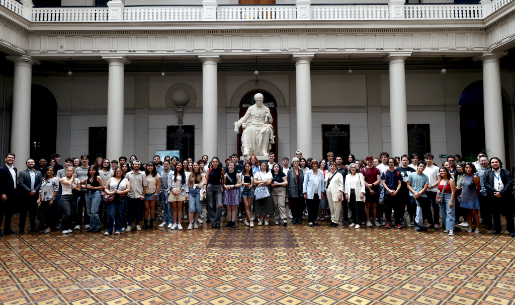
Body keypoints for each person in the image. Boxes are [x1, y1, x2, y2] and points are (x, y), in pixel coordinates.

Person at [484, 157, 514, 237]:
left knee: (508, 214)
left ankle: (511, 230)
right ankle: (497, 229)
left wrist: (501, 193)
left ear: (500, 163)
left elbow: (510, 184)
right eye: (492, 162)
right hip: (493, 197)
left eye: (496, 162)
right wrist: (495, 193)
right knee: (495, 214)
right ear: (490, 164)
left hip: (505, 196)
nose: (494, 164)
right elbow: (486, 184)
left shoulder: (507, 172)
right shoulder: (487, 173)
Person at [17, 158, 43, 234]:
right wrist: (29, 191)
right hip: (25, 196)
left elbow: (40, 183)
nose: (30, 163)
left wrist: (34, 191)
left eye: (32, 162)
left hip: (34, 196)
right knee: (23, 213)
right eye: (29, 162)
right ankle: (21, 228)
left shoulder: (38, 173)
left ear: (34, 163)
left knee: (33, 213)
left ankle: (33, 227)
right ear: (26, 164)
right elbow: (21, 183)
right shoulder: (22, 172)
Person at [104, 167, 130, 235]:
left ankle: (118, 229)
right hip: (112, 198)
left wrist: (120, 192)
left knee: (119, 214)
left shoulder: (125, 179)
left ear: (122, 172)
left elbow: (128, 189)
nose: (118, 172)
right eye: (117, 171)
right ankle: (108, 230)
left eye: (120, 171)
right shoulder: (111, 179)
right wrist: (109, 193)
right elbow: (106, 188)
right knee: (111, 214)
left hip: (121, 198)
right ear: (115, 172)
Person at [407, 161, 430, 232]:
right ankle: (416, 225)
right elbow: (408, 185)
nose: (422, 167)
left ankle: (421, 224)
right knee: (415, 210)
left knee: (424, 210)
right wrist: (414, 193)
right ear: (417, 166)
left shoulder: (425, 177)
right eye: (420, 166)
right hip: (412, 195)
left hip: (422, 195)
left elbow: (425, 187)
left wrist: (419, 194)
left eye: (423, 166)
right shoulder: (411, 175)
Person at [81, 165, 104, 233]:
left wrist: (93, 188)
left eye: (93, 170)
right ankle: (92, 226)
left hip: (95, 194)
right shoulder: (88, 178)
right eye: (90, 170)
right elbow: (86, 186)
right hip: (88, 194)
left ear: (96, 170)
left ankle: (98, 226)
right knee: (89, 212)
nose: (91, 171)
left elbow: (102, 187)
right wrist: (81, 185)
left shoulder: (98, 177)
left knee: (94, 212)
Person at [125, 161, 147, 231]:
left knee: (138, 211)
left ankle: (137, 224)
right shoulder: (128, 174)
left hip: (139, 195)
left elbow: (145, 185)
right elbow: (125, 184)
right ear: (132, 165)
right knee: (129, 211)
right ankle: (129, 225)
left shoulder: (143, 174)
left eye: (138, 164)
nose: (137, 165)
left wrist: (143, 195)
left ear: (140, 165)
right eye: (135, 164)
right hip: (130, 195)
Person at [58, 167, 81, 234]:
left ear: (73, 172)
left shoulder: (77, 180)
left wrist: (75, 188)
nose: (68, 172)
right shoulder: (63, 178)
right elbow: (69, 183)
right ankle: (62, 227)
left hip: (73, 197)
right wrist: (73, 177)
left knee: (71, 214)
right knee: (67, 213)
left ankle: (68, 227)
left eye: (70, 171)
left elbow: (79, 189)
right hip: (65, 197)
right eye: (67, 171)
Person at [460, 163, 481, 233]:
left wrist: (476, 194)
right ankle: (470, 226)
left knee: (474, 212)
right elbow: (463, 186)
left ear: (472, 168)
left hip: (472, 196)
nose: (468, 169)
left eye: (469, 168)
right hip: (464, 196)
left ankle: (477, 227)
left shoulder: (474, 177)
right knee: (467, 212)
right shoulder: (463, 176)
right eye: (466, 167)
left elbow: (478, 187)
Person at [381, 158, 402, 229]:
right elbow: (383, 183)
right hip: (388, 193)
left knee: (397, 208)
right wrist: (389, 190)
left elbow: (399, 183)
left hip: (396, 193)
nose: (391, 163)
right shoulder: (385, 172)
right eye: (389, 162)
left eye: (392, 162)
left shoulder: (398, 172)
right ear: (388, 163)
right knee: (388, 209)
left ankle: (398, 223)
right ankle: (388, 222)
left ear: (394, 163)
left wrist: (396, 191)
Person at [303, 160, 325, 227]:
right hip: (310, 193)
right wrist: (305, 192)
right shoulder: (308, 172)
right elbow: (305, 183)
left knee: (316, 207)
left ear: (317, 165)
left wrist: (322, 192)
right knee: (310, 207)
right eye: (313, 164)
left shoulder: (320, 172)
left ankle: (315, 220)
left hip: (317, 193)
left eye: (316, 164)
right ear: (311, 165)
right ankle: (310, 221)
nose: (315, 165)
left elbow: (322, 183)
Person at [0, 153, 18, 235]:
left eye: (12, 158)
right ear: (5, 159)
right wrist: (2, 193)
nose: (10, 159)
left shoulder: (15, 169)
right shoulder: (2, 169)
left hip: (13, 194)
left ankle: (7, 228)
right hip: (5, 194)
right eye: (9, 157)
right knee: (1, 213)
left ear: (14, 159)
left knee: (10, 213)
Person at [37, 167, 59, 234]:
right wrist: (39, 198)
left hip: (50, 199)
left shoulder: (55, 179)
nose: (49, 171)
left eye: (50, 170)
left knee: (50, 214)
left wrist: (52, 199)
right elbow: (40, 190)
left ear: (53, 172)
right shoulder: (44, 179)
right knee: (45, 214)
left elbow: (56, 190)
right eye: (47, 170)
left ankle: (50, 227)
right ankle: (47, 226)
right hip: (43, 200)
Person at [361, 156, 381, 227]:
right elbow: (363, 180)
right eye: (368, 160)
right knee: (367, 205)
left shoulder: (377, 170)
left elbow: (379, 180)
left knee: (374, 205)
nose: (369, 161)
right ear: (366, 161)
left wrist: (371, 185)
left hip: (375, 189)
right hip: (367, 190)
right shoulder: (363, 170)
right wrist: (369, 188)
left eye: (371, 160)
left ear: (373, 161)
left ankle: (375, 220)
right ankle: (368, 220)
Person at [205, 157, 224, 228]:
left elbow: (222, 179)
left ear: (218, 162)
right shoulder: (209, 169)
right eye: (213, 161)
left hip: (218, 187)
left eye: (216, 161)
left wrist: (222, 187)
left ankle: (218, 221)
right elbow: (206, 179)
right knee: (211, 205)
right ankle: (213, 221)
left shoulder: (221, 169)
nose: (215, 163)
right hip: (210, 187)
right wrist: (204, 188)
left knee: (219, 205)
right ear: (212, 162)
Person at [396, 155, 416, 226]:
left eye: (406, 160)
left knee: (411, 206)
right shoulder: (397, 170)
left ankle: (411, 219)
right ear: (401, 161)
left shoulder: (412, 170)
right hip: (401, 191)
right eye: (403, 160)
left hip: (410, 191)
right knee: (401, 206)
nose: (405, 161)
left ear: (408, 161)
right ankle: (402, 220)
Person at [168, 162, 188, 230]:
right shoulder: (171, 173)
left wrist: (179, 191)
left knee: (180, 208)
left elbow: (184, 184)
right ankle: (174, 223)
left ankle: (179, 223)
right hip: (172, 191)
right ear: (175, 166)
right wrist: (173, 191)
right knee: (174, 209)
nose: (179, 166)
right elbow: (169, 183)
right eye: (178, 165)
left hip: (180, 192)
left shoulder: (183, 174)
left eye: (180, 165)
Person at [423, 153, 441, 229]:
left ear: (432, 159)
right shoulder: (423, 168)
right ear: (425, 159)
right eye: (427, 159)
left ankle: (436, 222)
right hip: (425, 190)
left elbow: (439, 179)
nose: (428, 160)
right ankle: (430, 222)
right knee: (427, 207)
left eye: (430, 159)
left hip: (434, 190)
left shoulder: (436, 168)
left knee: (435, 206)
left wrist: (432, 185)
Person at [345, 164, 365, 228]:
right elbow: (346, 186)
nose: (353, 168)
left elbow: (362, 185)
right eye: (351, 167)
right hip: (350, 192)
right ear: (349, 168)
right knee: (352, 207)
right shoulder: (347, 176)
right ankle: (353, 221)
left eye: (354, 167)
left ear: (356, 168)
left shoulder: (360, 175)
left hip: (357, 193)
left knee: (357, 208)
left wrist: (362, 193)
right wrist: (346, 193)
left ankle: (358, 222)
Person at [437, 167, 456, 236]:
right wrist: (437, 198)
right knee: (443, 213)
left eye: (443, 171)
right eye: (441, 171)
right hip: (441, 197)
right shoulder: (440, 180)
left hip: (449, 196)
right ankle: (447, 227)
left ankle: (451, 229)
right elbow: (438, 190)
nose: (442, 172)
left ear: (447, 172)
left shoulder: (450, 180)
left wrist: (451, 201)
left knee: (450, 212)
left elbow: (453, 191)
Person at [325, 161, 344, 227]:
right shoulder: (327, 175)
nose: (332, 167)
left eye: (333, 166)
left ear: (335, 167)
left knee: (336, 207)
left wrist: (341, 194)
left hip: (337, 193)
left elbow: (341, 185)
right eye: (331, 166)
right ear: (329, 167)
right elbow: (326, 184)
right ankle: (332, 220)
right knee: (331, 207)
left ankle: (336, 221)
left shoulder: (339, 174)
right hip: (329, 192)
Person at [74, 154, 90, 230]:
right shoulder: (77, 169)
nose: (84, 160)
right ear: (81, 160)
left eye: (86, 159)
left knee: (87, 208)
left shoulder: (91, 169)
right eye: (83, 159)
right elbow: (75, 180)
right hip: (79, 191)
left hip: (88, 190)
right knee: (78, 208)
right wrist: (81, 182)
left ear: (88, 160)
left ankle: (87, 223)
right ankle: (78, 224)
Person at [476, 155, 492, 229]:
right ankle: (486, 223)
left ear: (488, 161)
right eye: (481, 160)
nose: (483, 162)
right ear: (479, 162)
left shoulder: (492, 170)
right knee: (483, 209)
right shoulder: (478, 171)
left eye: (485, 160)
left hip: (491, 193)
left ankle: (494, 224)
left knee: (492, 209)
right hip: (481, 193)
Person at [187, 162, 205, 229]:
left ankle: (195, 222)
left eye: (196, 165)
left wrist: (203, 191)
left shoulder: (202, 175)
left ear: (198, 166)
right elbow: (187, 184)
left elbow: (203, 184)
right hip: (191, 191)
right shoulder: (190, 175)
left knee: (198, 208)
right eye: (194, 165)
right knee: (191, 208)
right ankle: (190, 223)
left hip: (198, 191)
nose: (195, 166)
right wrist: (187, 192)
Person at [223, 162, 241, 228]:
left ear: (234, 166)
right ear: (228, 166)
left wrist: (232, 185)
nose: (230, 166)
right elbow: (224, 184)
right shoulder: (225, 175)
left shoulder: (237, 174)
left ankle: (233, 221)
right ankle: (229, 221)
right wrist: (226, 187)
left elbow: (240, 184)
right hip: (227, 191)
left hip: (233, 191)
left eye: (232, 165)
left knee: (233, 208)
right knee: (228, 208)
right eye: (229, 165)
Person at [287, 158, 304, 224]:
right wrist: (287, 192)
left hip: (300, 191)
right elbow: (287, 182)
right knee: (294, 205)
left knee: (300, 205)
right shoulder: (290, 171)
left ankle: (298, 217)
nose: (296, 163)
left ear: (299, 163)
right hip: (293, 191)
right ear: (293, 163)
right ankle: (294, 218)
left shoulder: (301, 171)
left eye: (297, 162)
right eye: (294, 162)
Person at [144, 162, 161, 229]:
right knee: (146, 208)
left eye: (151, 166)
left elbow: (158, 184)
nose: (150, 167)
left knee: (152, 207)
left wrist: (156, 193)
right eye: (148, 166)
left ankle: (151, 222)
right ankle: (145, 223)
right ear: (146, 167)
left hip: (153, 193)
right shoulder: (144, 174)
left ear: (153, 167)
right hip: (145, 194)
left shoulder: (156, 174)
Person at [335, 155, 349, 223]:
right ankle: (335, 218)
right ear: (335, 161)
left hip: (344, 188)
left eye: (339, 159)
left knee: (345, 205)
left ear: (342, 160)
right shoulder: (334, 169)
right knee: (336, 204)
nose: (338, 160)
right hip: (336, 189)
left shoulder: (345, 168)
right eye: (337, 159)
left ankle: (346, 218)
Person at [159, 160, 173, 228]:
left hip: (169, 192)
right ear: (163, 165)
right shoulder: (161, 172)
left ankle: (171, 221)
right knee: (164, 207)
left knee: (170, 207)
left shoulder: (171, 172)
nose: (166, 165)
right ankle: (165, 221)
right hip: (163, 191)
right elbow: (160, 182)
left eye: (167, 164)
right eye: (164, 164)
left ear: (169, 165)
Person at [241, 163, 255, 227]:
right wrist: (245, 184)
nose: (247, 167)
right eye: (246, 166)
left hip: (250, 191)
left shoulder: (252, 175)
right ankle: (250, 221)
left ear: (250, 167)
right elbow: (240, 182)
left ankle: (246, 220)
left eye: (248, 166)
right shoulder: (241, 174)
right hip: (243, 191)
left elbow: (254, 183)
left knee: (249, 206)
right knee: (246, 205)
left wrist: (251, 185)